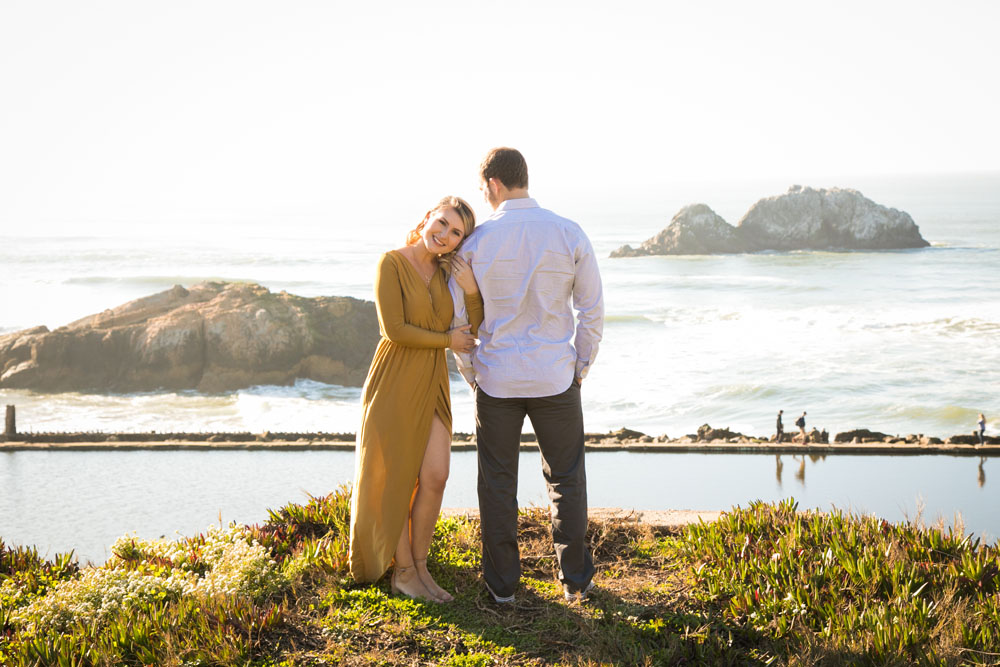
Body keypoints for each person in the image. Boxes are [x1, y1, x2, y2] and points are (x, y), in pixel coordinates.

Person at [450, 147, 604, 604]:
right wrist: (579, 367)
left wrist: (473, 375)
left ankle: (503, 589)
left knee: (497, 484)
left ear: (494, 184)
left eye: (483, 189)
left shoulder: (474, 244)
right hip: (555, 378)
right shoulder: (568, 231)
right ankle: (574, 579)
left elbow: (462, 323)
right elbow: (592, 311)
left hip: (496, 381)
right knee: (567, 478)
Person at [348, 196, 483, 603]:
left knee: (436, 475)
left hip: (432, 379)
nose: (444, 235)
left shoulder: (446, 273)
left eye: (455, 232)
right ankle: (404, 573)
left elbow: (475, 327)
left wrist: (471, 289)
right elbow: (394, 329)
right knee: (400, 480)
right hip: (395, 378)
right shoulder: (391, 262)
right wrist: (447, 340)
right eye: (441, 223)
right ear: (427, 218)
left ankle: (420, 566)